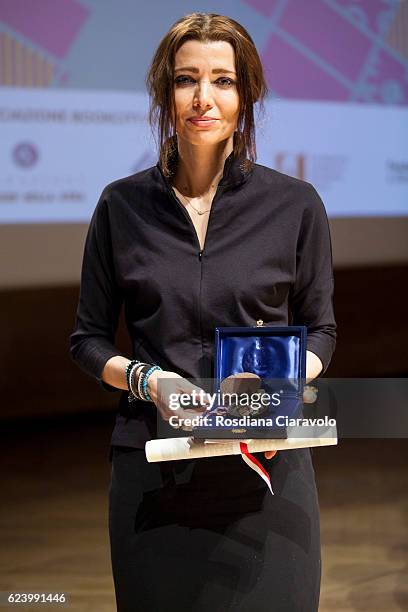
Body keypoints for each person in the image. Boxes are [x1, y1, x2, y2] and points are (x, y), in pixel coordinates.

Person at [69, 12, 336, 612]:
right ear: (166, 93)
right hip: (154, 472)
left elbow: (322, 331)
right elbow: (87, 339)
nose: (204, 98)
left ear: (247, 96)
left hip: (266, 471)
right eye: (188, 79)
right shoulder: (120, 206)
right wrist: (148, 379)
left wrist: (282, 379)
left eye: (224, 80)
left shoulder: (294, 204)